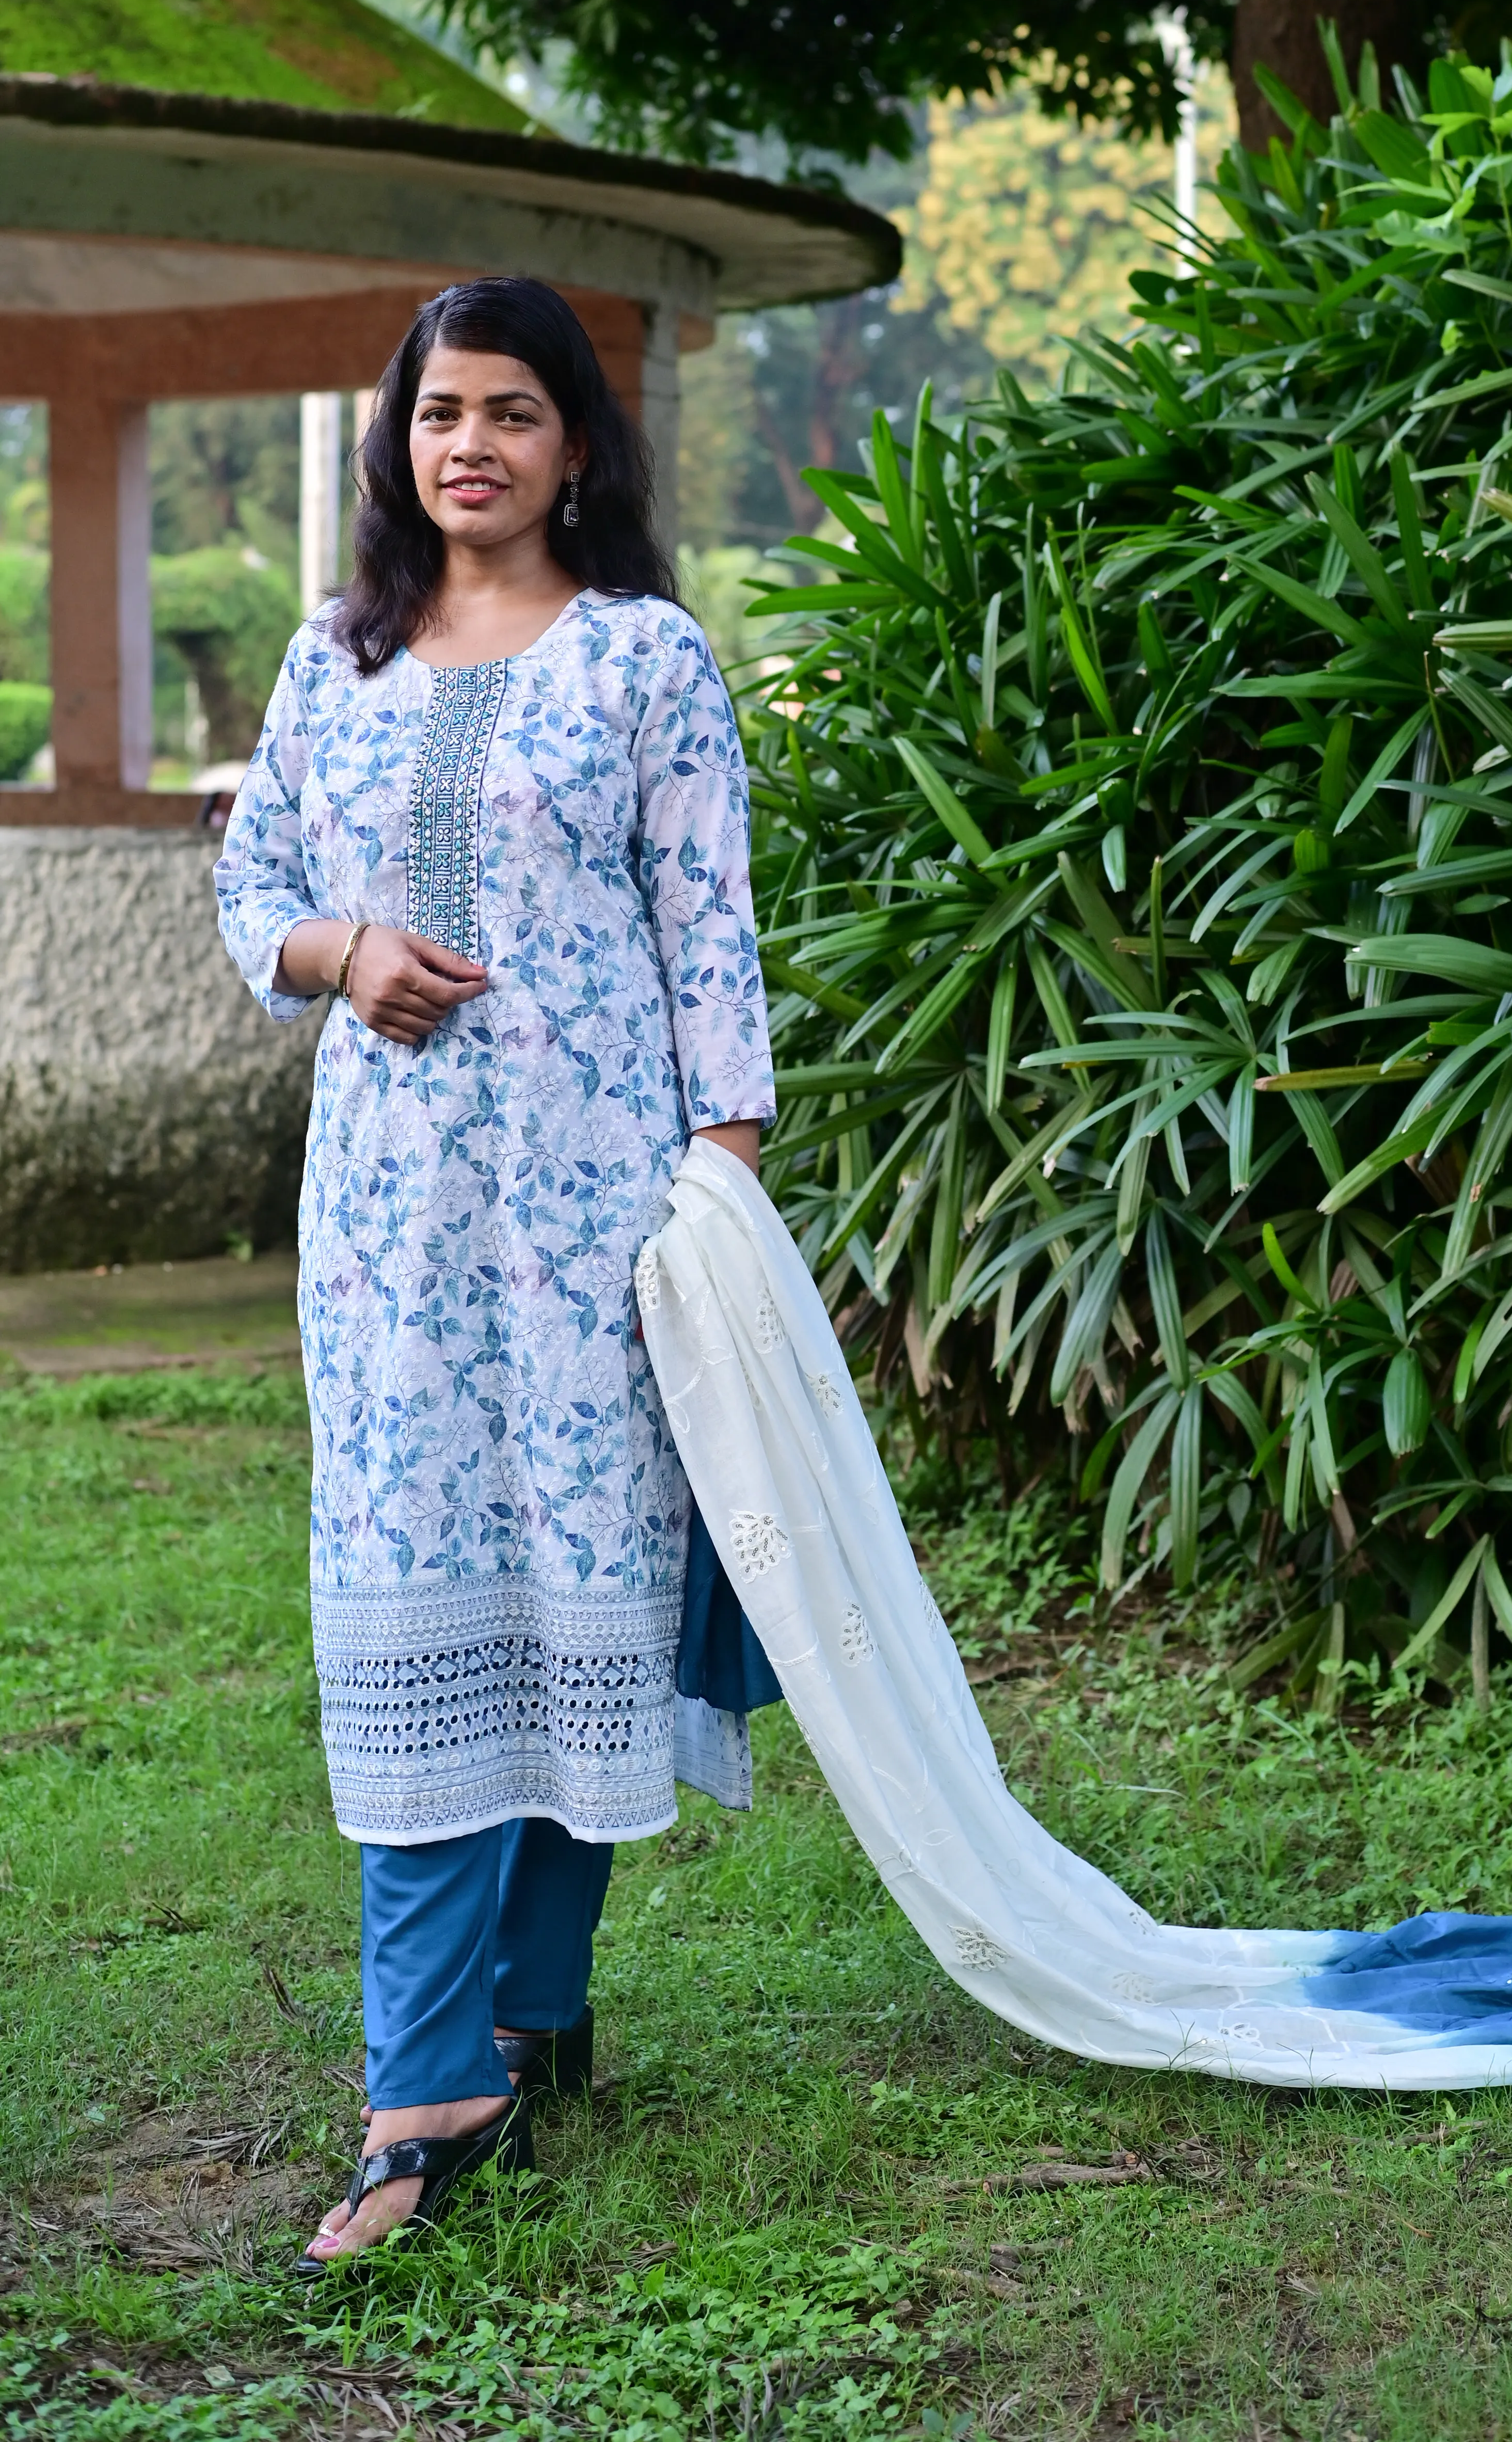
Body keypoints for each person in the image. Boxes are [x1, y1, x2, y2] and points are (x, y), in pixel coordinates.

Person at [215, 277, 773, 2265]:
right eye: (441, 411)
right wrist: (341, 953)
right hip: (387, 1232)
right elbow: (249, 887)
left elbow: (713, 932)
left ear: (579, 447)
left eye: (514, 413)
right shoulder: (334, 658)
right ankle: (426, 2071)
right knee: (406, 1592)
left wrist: (722, 1191)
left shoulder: (646, 660)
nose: (471, 445)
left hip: (593, 1220)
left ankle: (528, 2020)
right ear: (399, 439)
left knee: (575, 1586)